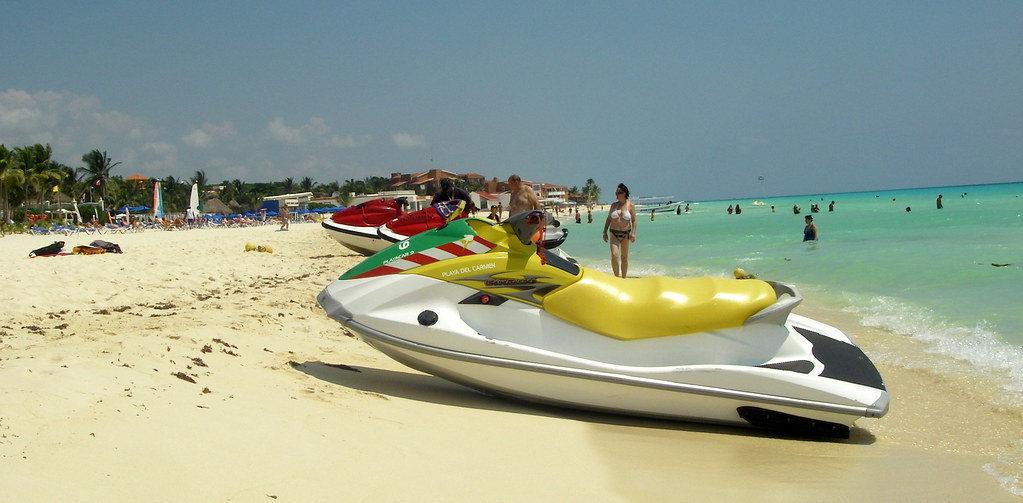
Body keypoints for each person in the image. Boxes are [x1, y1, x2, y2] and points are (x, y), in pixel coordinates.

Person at [602, 183, 637, 278]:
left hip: (626, 234)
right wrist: (604, 232)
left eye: (618, 193)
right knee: (614, 255)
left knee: (624, 257)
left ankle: (624, 278)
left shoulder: (630, 206)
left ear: (624, 193)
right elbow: (609, 219)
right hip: (614, 233)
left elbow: (633, 220)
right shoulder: (614, 205)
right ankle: (616, 277)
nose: (616, 195)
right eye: (616, 193)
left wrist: (633, 233)